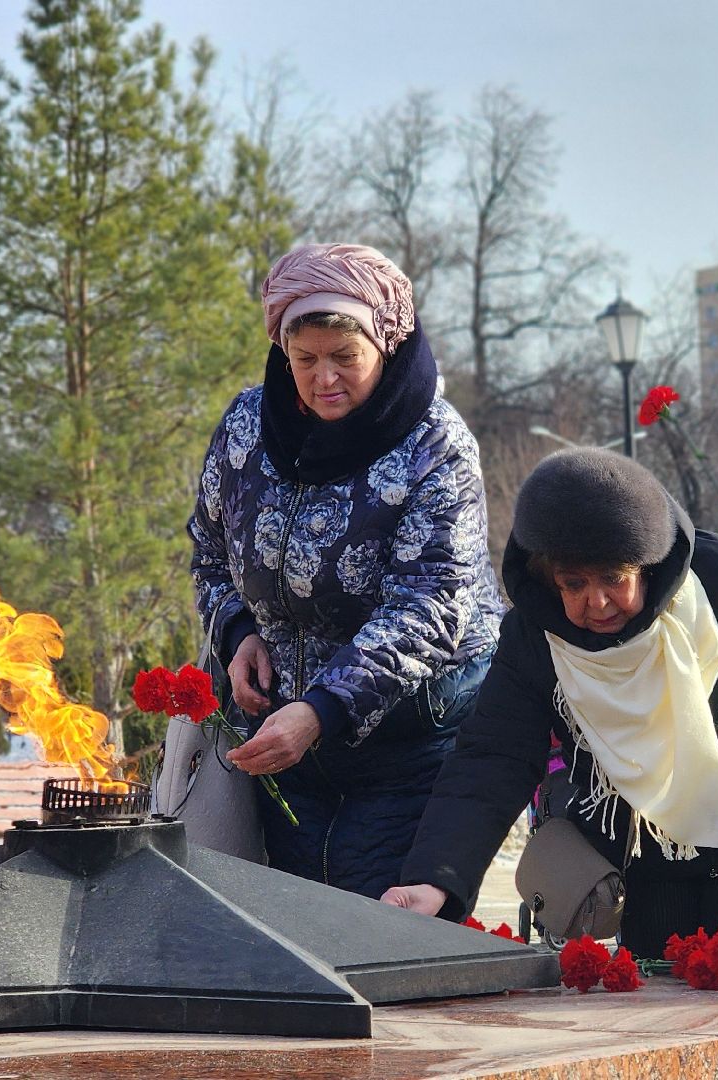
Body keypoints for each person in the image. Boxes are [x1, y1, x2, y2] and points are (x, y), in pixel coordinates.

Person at [381, 449, 718, 957]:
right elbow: (492, 757)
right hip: (641, 845)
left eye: (613, 578)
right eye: (574, 584)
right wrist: (437, 879)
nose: (595, 603)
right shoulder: (535, 636)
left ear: (648, 564)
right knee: (652, 982)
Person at [187, 242, 505, 899]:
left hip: (412, 743)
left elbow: (430, 603)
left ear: (385, 347)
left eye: (344, 358)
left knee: (377, 943)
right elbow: (208, 549)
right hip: (289, 748)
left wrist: (323, 709)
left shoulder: (434, 445)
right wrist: (238, 633)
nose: (323, 378)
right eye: (304, 360)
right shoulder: (247, 427)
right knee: (295, 942)